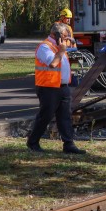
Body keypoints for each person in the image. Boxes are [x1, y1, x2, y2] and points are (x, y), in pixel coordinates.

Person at [26, 22, 86, 154]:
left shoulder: (59, 46)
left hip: (62, 87)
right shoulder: (45, 47)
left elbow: (73, 49)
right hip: (48, 87)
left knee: (65, 116)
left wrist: (69, 43)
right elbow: (53, 63)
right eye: (64, 36)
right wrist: (61, 50)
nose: (66, 40)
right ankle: (33, 142)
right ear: (56, 35)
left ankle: (68, 144)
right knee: (45, 116)